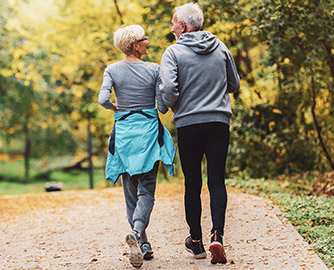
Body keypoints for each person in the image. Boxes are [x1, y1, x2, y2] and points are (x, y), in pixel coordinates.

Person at [159, 3, 240, 265]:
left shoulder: (173, 52)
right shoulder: (221, 47)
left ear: (183, 26)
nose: (171, 28)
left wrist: (174, 106)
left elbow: (169, 88)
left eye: (173, 23)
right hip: (218, 122)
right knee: (217, 180)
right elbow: (234, 83)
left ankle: (196, 242)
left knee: (192, 183)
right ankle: (218, 234)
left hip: (189, 125)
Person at [98, 25, 176, 268]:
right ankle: (138, 231)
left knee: (130, 193)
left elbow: (102, 99)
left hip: (123, 136)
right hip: (148, 135)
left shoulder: (112, 70)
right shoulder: (154, 69)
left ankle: (142, 243)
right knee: (147, 191)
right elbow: (162, 107)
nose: (148, 41)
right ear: (135, 45)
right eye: (144, 39)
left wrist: (114, 108)